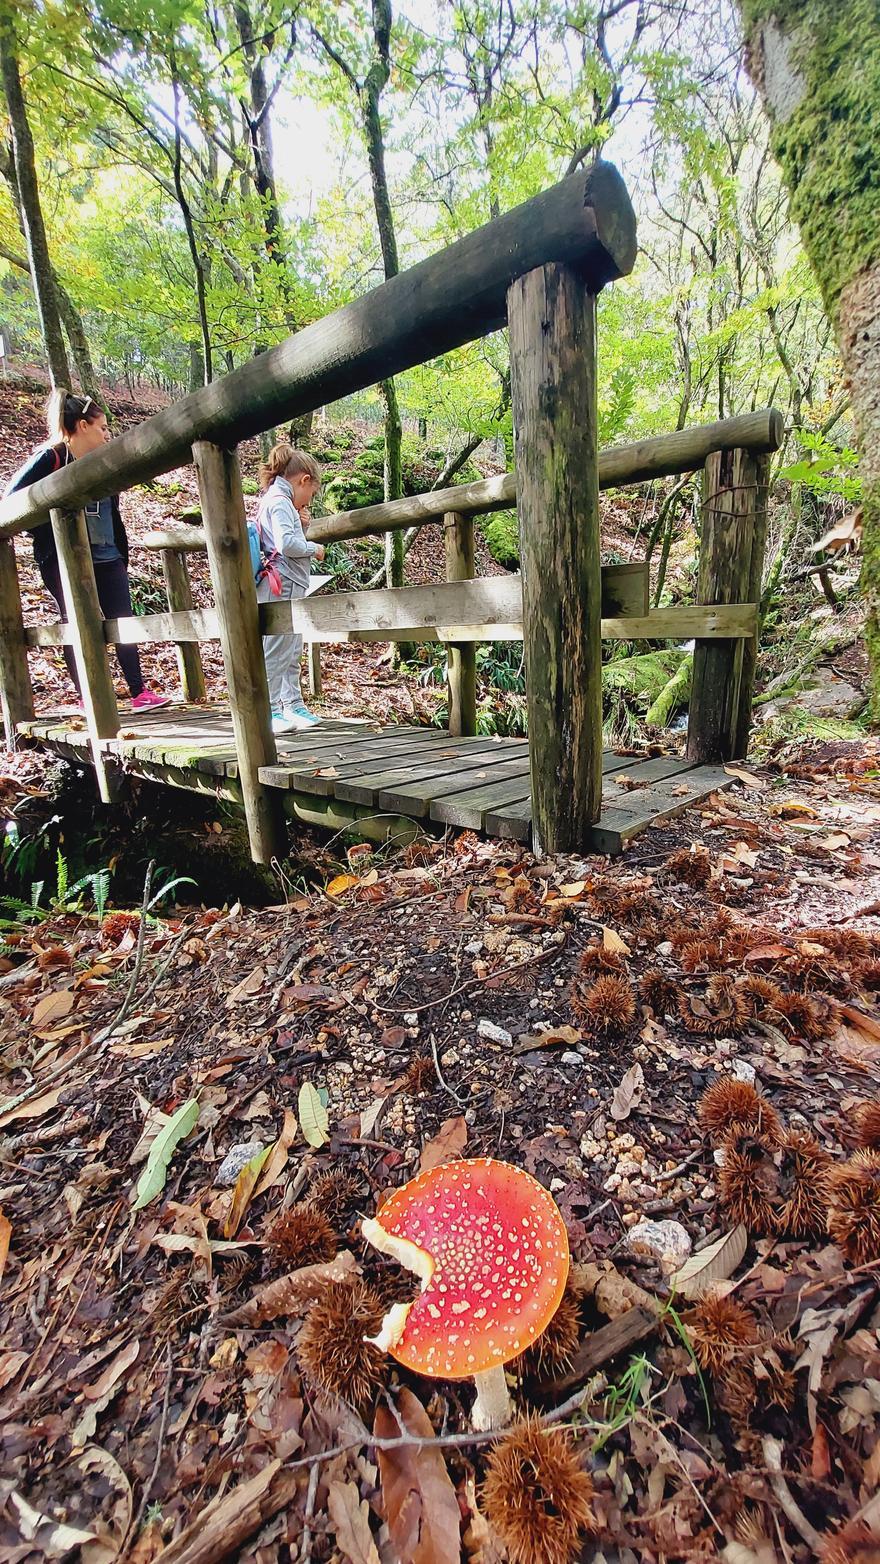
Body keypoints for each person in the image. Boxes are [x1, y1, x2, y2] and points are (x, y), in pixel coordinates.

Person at [3, 389, 170, 711]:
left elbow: (114, 512)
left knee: (124, 618)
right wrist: (43, 529)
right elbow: (12, 501)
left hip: (107, 554)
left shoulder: (103, 465)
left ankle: (139, 692)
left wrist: (122, 552)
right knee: (75, 621)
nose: (106, 435)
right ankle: (88, 695)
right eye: (102, 428)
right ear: (81, 426)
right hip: (64, 558)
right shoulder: (50, 458)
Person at [255, 444, 325, 733]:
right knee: (277, 649)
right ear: (303, 480)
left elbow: (285, 539)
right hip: (280, 584)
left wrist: (301, 526)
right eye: (312, 492)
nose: (309, 500)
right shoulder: (279, 501)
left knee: (291, 647)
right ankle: (270, 710)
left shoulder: (282, 500)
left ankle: (292, 704)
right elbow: (286, 546)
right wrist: (315, 548)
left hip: (289, 583)